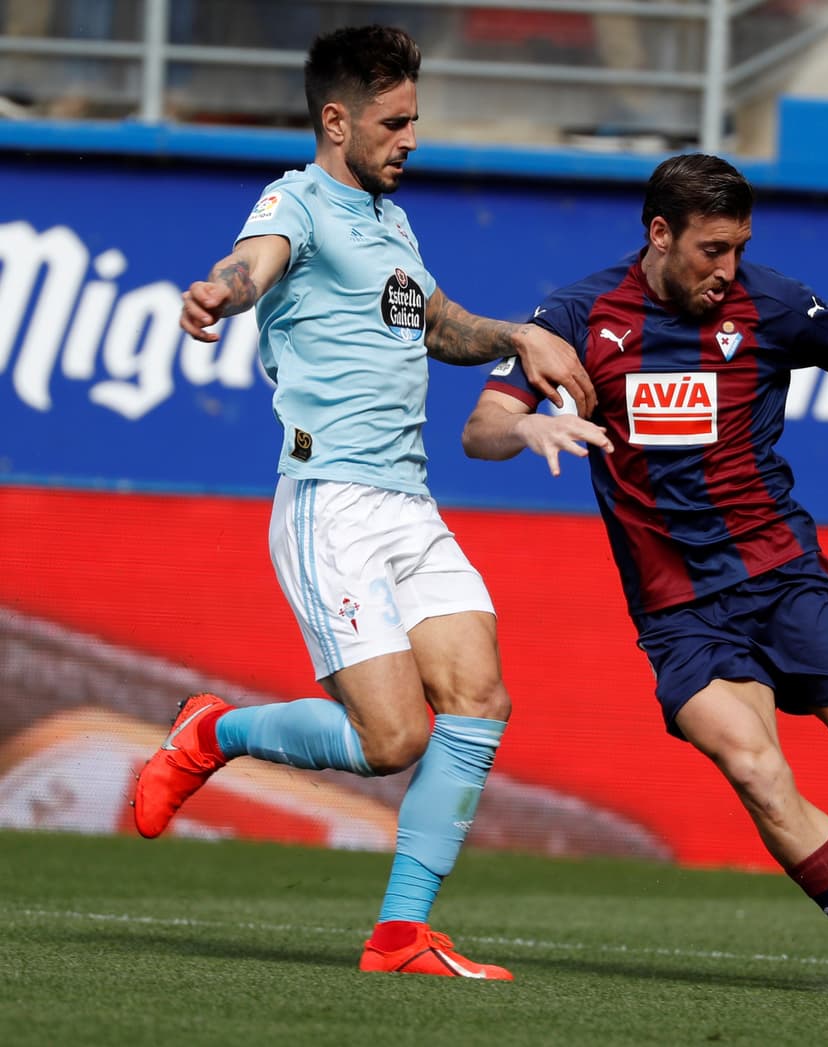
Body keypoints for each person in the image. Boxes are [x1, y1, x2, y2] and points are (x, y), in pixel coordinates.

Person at [461, 152, 828, 1000]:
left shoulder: (775, 305)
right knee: (753, 768)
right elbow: (480, 426)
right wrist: (524, 432)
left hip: (784, 579)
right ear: (659, 234)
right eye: (712, 249)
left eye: (739, 247)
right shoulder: (579, 317)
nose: (727, 269)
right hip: (680, 614)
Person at [133, 24, 594, 981]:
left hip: (409, 505)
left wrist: (518, 334)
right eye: (395, 120)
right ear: (335, 121)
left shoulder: (391, 220)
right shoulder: (295, 202)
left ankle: (400, 935)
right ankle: (212, 732)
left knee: (480, 697)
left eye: (415, 118)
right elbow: (251, 264)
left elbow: (436, 321)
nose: (411, 137)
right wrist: (216, 296)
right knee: (392, 740)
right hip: (330, 502)